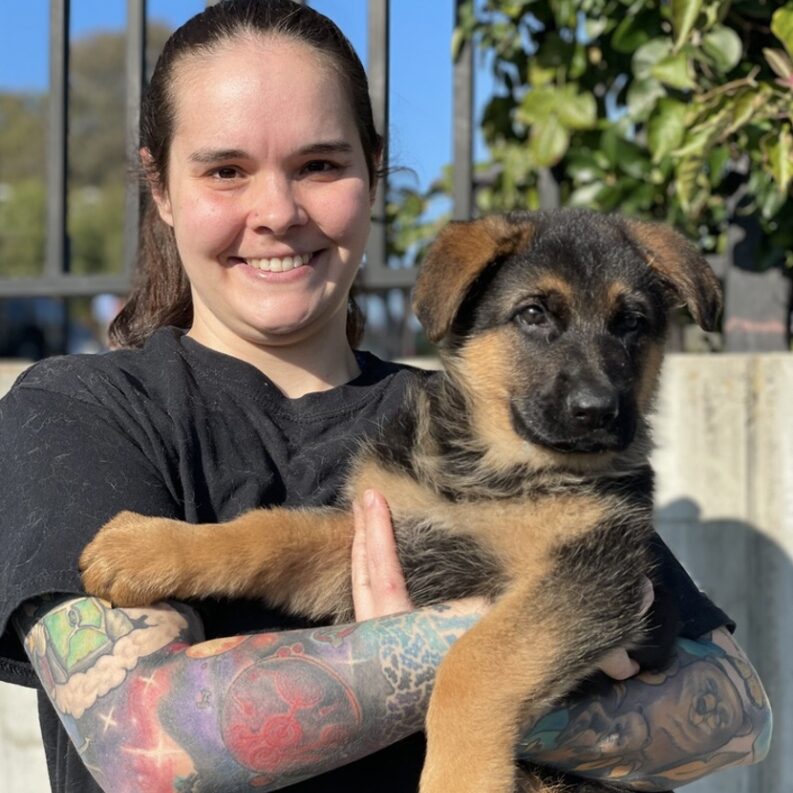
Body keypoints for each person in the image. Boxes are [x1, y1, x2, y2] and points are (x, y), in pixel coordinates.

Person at [0, 1, 771, 791]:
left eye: (319, 165)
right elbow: (144, 745)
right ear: (160, 188)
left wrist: (485, 676)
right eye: (226, 169)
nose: (277, 213)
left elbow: (734, 713)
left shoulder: (488, 429)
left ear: (373, 171)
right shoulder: (79, 408)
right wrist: (446, 651)